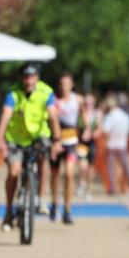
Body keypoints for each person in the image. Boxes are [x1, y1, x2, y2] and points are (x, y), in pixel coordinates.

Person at [0, 63, 62, 232]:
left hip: (38, 136)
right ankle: (9, 211)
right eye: (25, 77)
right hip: (15, 138)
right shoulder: (13, 93)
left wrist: (57, 141)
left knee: (43, 158)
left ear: (37, 78)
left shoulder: (46, 92)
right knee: (14, 172)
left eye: (32, 77)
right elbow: (5, 115)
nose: (28, 81)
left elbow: (53, 117)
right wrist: (0, 139)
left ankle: (39, 197)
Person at [49, 73, 81, 224]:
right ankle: (55, 203)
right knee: (55, 175)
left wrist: (88, 128)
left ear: (72, 85)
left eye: (67, 84)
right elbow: (50, 118)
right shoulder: (54, 101)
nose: (64, 87)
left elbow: (85, 117)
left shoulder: (78, 99)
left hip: (71, 141)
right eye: (61, 84)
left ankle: (67, 209)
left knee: (69, 174)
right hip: (57, 140)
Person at [103, 94, 129, 195]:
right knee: (126, 166)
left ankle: (112, 188)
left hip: (111, 145)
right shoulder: (125, 116)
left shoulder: (110, 116)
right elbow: (128, 130)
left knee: (111, 167)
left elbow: (106, 131)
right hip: (122, 144)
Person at [76, 93, 99, 198]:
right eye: (86, 103)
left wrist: (93, 133)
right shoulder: (80, 114)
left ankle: (88, 190)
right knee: (82, 165)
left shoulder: (97, 114)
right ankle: (81, 182)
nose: (88, 105)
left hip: (92, 143)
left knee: (90, 168)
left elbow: (100, 129)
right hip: (82, 143)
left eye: (90, 103)